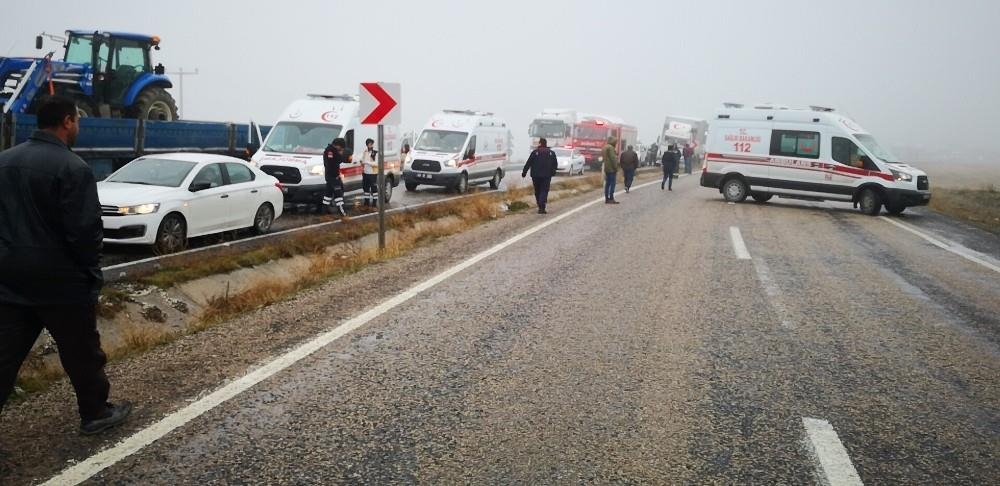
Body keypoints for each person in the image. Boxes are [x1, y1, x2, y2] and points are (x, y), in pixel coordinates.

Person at [0, 96, 132, 435]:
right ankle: (95, 412)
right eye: (78, 121)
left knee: (4, 355)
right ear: (68, 122)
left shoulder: (5, 161)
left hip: (10, 278)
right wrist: (91, 275)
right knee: (82, 353)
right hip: (61, 282)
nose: (78, 127)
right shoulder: (73, 168)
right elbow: (85, 232)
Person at [521, 137, 558, 214]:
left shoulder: (535, 152)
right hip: (546, 176)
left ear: (540, 143)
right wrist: (553, 172)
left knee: (537, 191)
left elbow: (528, 163)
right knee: (544, 190)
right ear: (546, 144)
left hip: (535, 175)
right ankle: (542, 206)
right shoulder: (551, 153)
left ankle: (540, 205)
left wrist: (524, 172)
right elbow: (555, 164)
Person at [323, 137, 348, 216]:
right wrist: (340, 155)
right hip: (333, 176)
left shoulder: (329, 149)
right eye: (341, 147)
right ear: (338, 145)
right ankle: (343, 214)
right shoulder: (331, 151)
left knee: (328, 195)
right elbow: (333, 163)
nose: (341, 149)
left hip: (330, 175)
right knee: (338, 195)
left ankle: (323, 213)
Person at [360, 138, 378, 207]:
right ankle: (366, 202)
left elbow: (376, 163)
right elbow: (362, 159)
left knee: (374, 188)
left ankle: (374, 203)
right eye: (369, 144)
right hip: (365, 172)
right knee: (366, 188)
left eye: (371, 144)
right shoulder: (365, 152)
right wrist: (361, 161)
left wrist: (366, 162)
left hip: (373, 173)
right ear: (367, 145)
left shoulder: (375, 152)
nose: (370, 146)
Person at [602, 136, 620, 204]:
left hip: (606, 168)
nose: (616, 143)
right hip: (611, 169)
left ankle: (607, 198)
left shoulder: (605, 147)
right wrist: (616, 167)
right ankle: (611, 198)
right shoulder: (611, 148)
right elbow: (613, 159)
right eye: (615, 142)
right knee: (612, 184)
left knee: (607, 184)